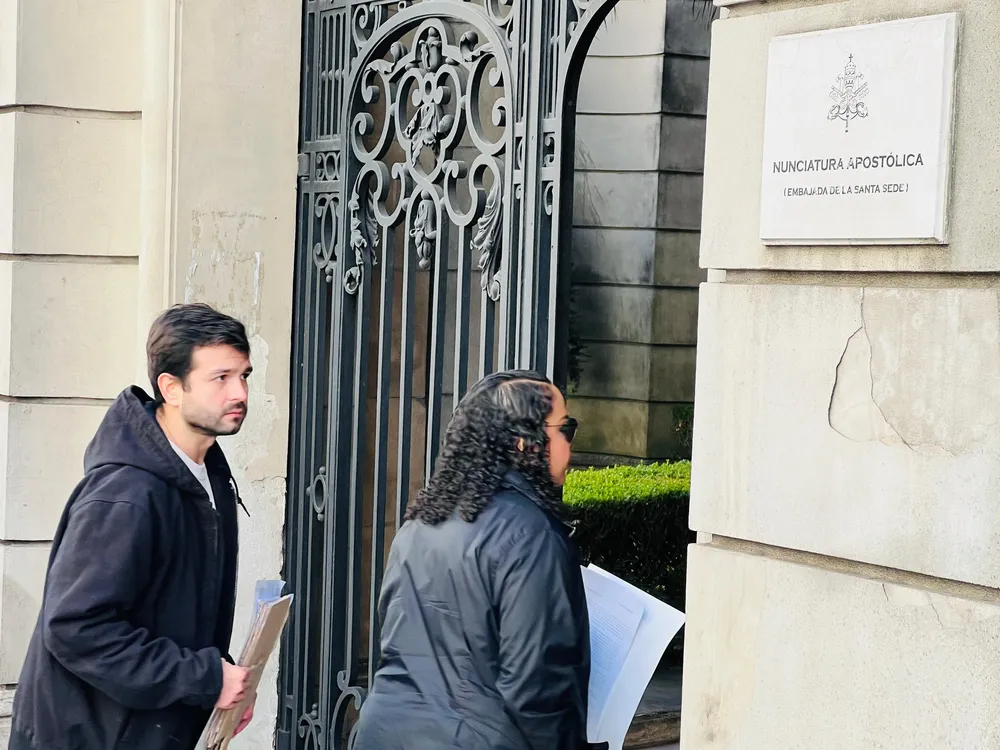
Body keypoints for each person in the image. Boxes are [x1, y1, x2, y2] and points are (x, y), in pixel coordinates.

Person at [10, 303, 257, 750]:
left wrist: (221, 682)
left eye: (244, 376)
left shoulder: (206, 476)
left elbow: (175, 610)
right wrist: (203, 677)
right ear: (171, 387)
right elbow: (73, 627)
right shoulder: (127, 494)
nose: (238, 392)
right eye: (220, 378)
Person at [354, 370, 607, 750]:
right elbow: (540, 691)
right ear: (526, 443)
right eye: (565, 429)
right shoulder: (533, 536)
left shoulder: (418, 525)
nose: (570, 447)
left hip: (382, 735)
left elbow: (396, 647)